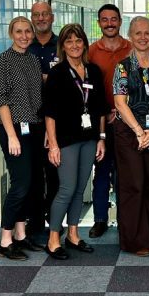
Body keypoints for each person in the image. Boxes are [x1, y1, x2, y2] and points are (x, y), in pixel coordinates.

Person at [44, 24, 109, 260]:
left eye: (78, 40)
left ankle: (73, 234)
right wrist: (53, 144)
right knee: (66, 189)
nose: (74, 45)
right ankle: (53, 239)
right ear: (63, 45)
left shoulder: (93, 70)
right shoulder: (58, 73)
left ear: (84, 43)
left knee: (81, 189)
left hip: (89, 138)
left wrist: (101, 138)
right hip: (66, 140)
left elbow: (100, 108)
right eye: (69, 41)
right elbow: (49, 113)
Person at [112, 16, 149, 256]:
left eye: (147, 33)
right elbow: (120, 102)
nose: (143, 37)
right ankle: (134, 241)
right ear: (130, 36)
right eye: (138, 33)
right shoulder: (122, 67)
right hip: (129, 133)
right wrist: (138, 131)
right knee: (133, 185)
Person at [0, 16, 44, 261]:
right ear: (11, 33)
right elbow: (0, 100)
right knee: (20, 185)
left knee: (30, 184)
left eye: (28, 32)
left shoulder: (33, 60)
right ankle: (5, 240)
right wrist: (11, 136)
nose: (24, 36)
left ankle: (21, 235)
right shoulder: (2, 62)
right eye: (19, 31)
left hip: (33, 128)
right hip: (13, 130)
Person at [87, 3, 132, 238]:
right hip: (100, 122)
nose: (110, 23)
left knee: (125, 174)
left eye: (113, 19)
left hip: (128, 122)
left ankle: (126, 218)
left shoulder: (132, 48)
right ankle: (100, 219)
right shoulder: (91, 52)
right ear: (99, 23)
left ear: (120, 21)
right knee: (102, 172)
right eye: (105, 20)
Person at [27, 0, 59, 239]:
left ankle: (53, 219)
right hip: (29, 120)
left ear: (52, 17)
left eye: (44, 14)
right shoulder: (25, 46)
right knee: (32, 174)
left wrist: (41, 78)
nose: (40, 18)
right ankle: (35, 222)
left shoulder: (63, 45)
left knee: (55, 172)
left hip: (57, 121)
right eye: (36, 15)